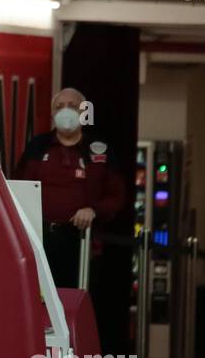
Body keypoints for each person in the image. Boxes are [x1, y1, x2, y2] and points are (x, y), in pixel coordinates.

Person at [14, 88, 126, 289]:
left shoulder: (98, 150)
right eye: (59, 107)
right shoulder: (38, 147)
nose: (65, 111)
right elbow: (17, 189)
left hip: (82, 243)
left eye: (72, 106)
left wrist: (94, 210)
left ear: (84, 112)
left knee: (76, 303)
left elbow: (116, 195)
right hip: (40, 242)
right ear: (52, 114)